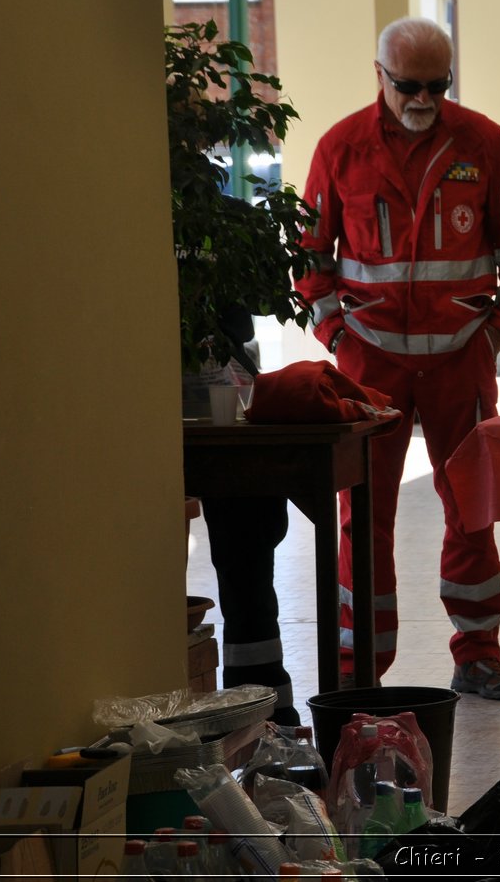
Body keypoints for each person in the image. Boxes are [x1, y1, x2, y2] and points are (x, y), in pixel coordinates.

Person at [296, 17, 500, 700]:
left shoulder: (483, 143)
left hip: (461, 362)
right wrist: (338, 341)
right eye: (410, 86)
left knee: (472, 507)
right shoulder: (340, 149)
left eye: (438, 85)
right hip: (369, 369)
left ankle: (479, 654)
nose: (424, 98)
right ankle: (359, 668)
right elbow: (309, 260)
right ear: (378, 75)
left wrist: (494, 338)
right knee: (362, 514)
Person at [189, 301, 301, 726]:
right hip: (181, 394)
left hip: (226, 393)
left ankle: (264, 712)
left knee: (248, 552)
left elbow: (269, 296)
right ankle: (260, 710)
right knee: (245, 556)